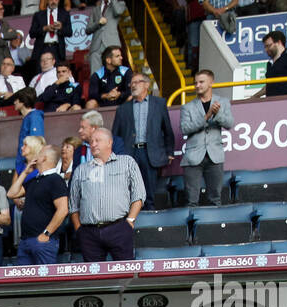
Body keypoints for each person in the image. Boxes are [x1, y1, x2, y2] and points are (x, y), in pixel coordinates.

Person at [70, 127, 145, 262]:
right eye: (91, 141)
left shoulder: (127, 162)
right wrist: (79, 230)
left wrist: (130, 221)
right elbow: (73, 205)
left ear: (109, 142)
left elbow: (138, 195)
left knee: (124, 274)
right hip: (89, 233)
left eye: (97, 140)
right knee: (93, 280)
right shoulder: (81, 170)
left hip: (119, 228)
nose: (93, 144)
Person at [111, 73, 174, 210]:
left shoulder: (159, 103)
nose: (133, 85)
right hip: (130, 154)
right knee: (131, 191)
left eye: (137, 82)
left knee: (150, 191)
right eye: (131, 83)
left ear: (147, 84)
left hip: (150, 153)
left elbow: (167, 130)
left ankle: (149, 219)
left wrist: (169, 152)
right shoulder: (123, 109)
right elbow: (115, 135)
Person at [180, 70, 233, 207]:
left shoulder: (223, 102)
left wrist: (217, 114)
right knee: (191, 201)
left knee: (215, 199)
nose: (197, 85)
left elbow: (230, 124)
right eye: (195, 83)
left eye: (201, 82)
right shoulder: (187, 107)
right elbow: (185, 129)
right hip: (193, 157)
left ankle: (214, 227)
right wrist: (207, 116)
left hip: (215, 155)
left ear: (211, 82)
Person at [11, 143, 69, 264]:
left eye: (39, 153)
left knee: (45, 281)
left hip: (43, 242)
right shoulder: (34, 180)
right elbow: (12, 194)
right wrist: (25, 173)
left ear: (43, 158)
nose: (35, 156)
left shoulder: (55, 180)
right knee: (24, 281)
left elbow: (63, 210)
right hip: (25, 241)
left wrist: (46, 234)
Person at [252, 30, 287, 98]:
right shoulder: (269, 64)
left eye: (268, 46)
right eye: (265, 47)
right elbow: (269, 86)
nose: (266, 49)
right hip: (271, 103)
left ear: (279, 42)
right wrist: (253, 97)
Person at [86, 0, 127, 74]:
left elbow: (118, 11)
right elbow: (88, 29)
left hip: (111, 43)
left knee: (114, 73)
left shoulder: (119, 4)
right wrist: (98, 23)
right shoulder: (96, 9)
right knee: (95, 74)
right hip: (96, 46)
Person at [86, 44, 130, 109]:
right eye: (117, 56)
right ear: (108, 60)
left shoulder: (126, 71)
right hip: (103, 106)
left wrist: (119, 94)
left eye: (121, 55)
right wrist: (106, 96)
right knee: (90, 103)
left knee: (131, 98)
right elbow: (92, 95)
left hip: (122, 104)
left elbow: (131, 90)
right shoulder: (97, 75)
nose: (121, 58)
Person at [12, 88, 44, 174]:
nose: (14, 102)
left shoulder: (34, 117)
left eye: (16, 100)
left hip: (29, 166)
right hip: (23, 164)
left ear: (23, 102)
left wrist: (29, 165)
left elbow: (36, 143)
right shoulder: (28, 118)